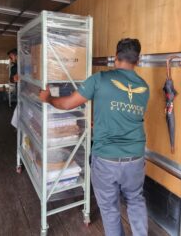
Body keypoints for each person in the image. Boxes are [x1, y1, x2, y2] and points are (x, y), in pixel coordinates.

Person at [39, 38, 149, 236]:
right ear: (137, 60)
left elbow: (67, 104)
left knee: (109, 208)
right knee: (136, 200)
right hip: (136, 158)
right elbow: (129, 118)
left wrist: (48, 98)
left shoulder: (99, 79)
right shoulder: (144, 87)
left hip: (106, 159)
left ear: (116, 58)